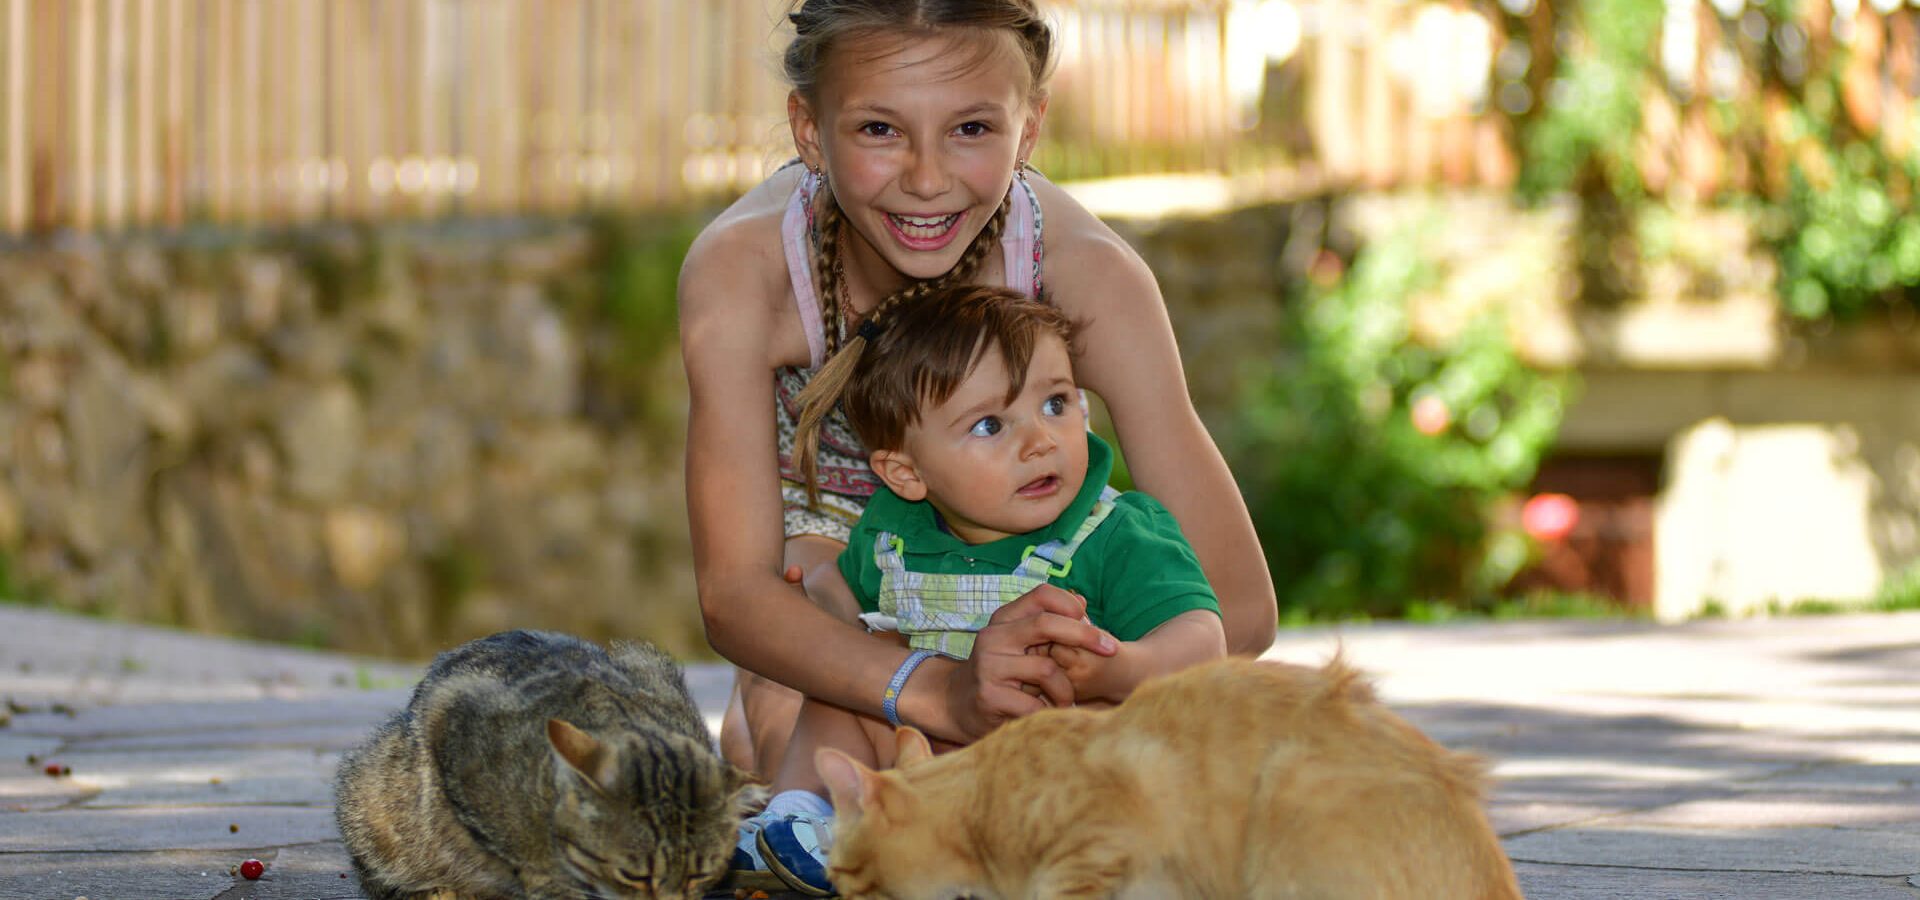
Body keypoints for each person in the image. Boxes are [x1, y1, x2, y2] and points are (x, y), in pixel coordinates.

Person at [677, 0, 1276, 813]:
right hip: (844, 593)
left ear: (1028, 130)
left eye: (971, 129)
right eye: (879, 131)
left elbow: (1238, 608)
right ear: (810, 131)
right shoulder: (745, 277)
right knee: (810, 760)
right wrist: (941, 691)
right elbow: (736, 595)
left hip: (1028, 571)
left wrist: (1087, 671)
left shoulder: (1086, 276)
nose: (927, 178)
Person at [733, 284, 1228, 894]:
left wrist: (1120, 667)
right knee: (837, 694)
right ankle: (802, 819)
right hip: (931, 761)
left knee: (1106, 731)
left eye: (1056, 403)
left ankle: (1005, 862)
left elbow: (1204, 640)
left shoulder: (1116, 532)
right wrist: (818, 608)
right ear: (906, 474)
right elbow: (857, 617)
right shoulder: (891, 535)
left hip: (1049, 773)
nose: (1041, 440)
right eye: (992, 424)